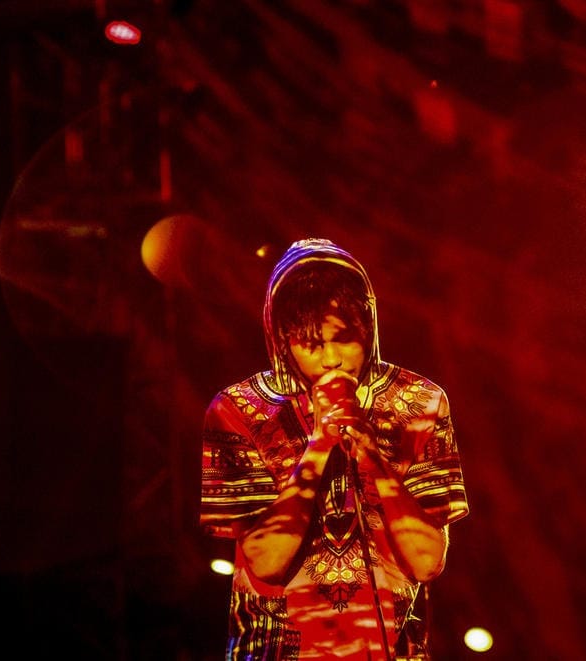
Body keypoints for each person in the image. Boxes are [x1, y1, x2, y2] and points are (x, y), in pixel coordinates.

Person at [200, 238, 469, 660]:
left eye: (343, 339)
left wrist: (372, 455)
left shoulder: (421, 401)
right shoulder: (240, 409)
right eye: (311, 344)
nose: (330, 360)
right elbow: (266, 560)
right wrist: (321, 441)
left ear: (368, 328)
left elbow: (427, 561)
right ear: (283, 341)